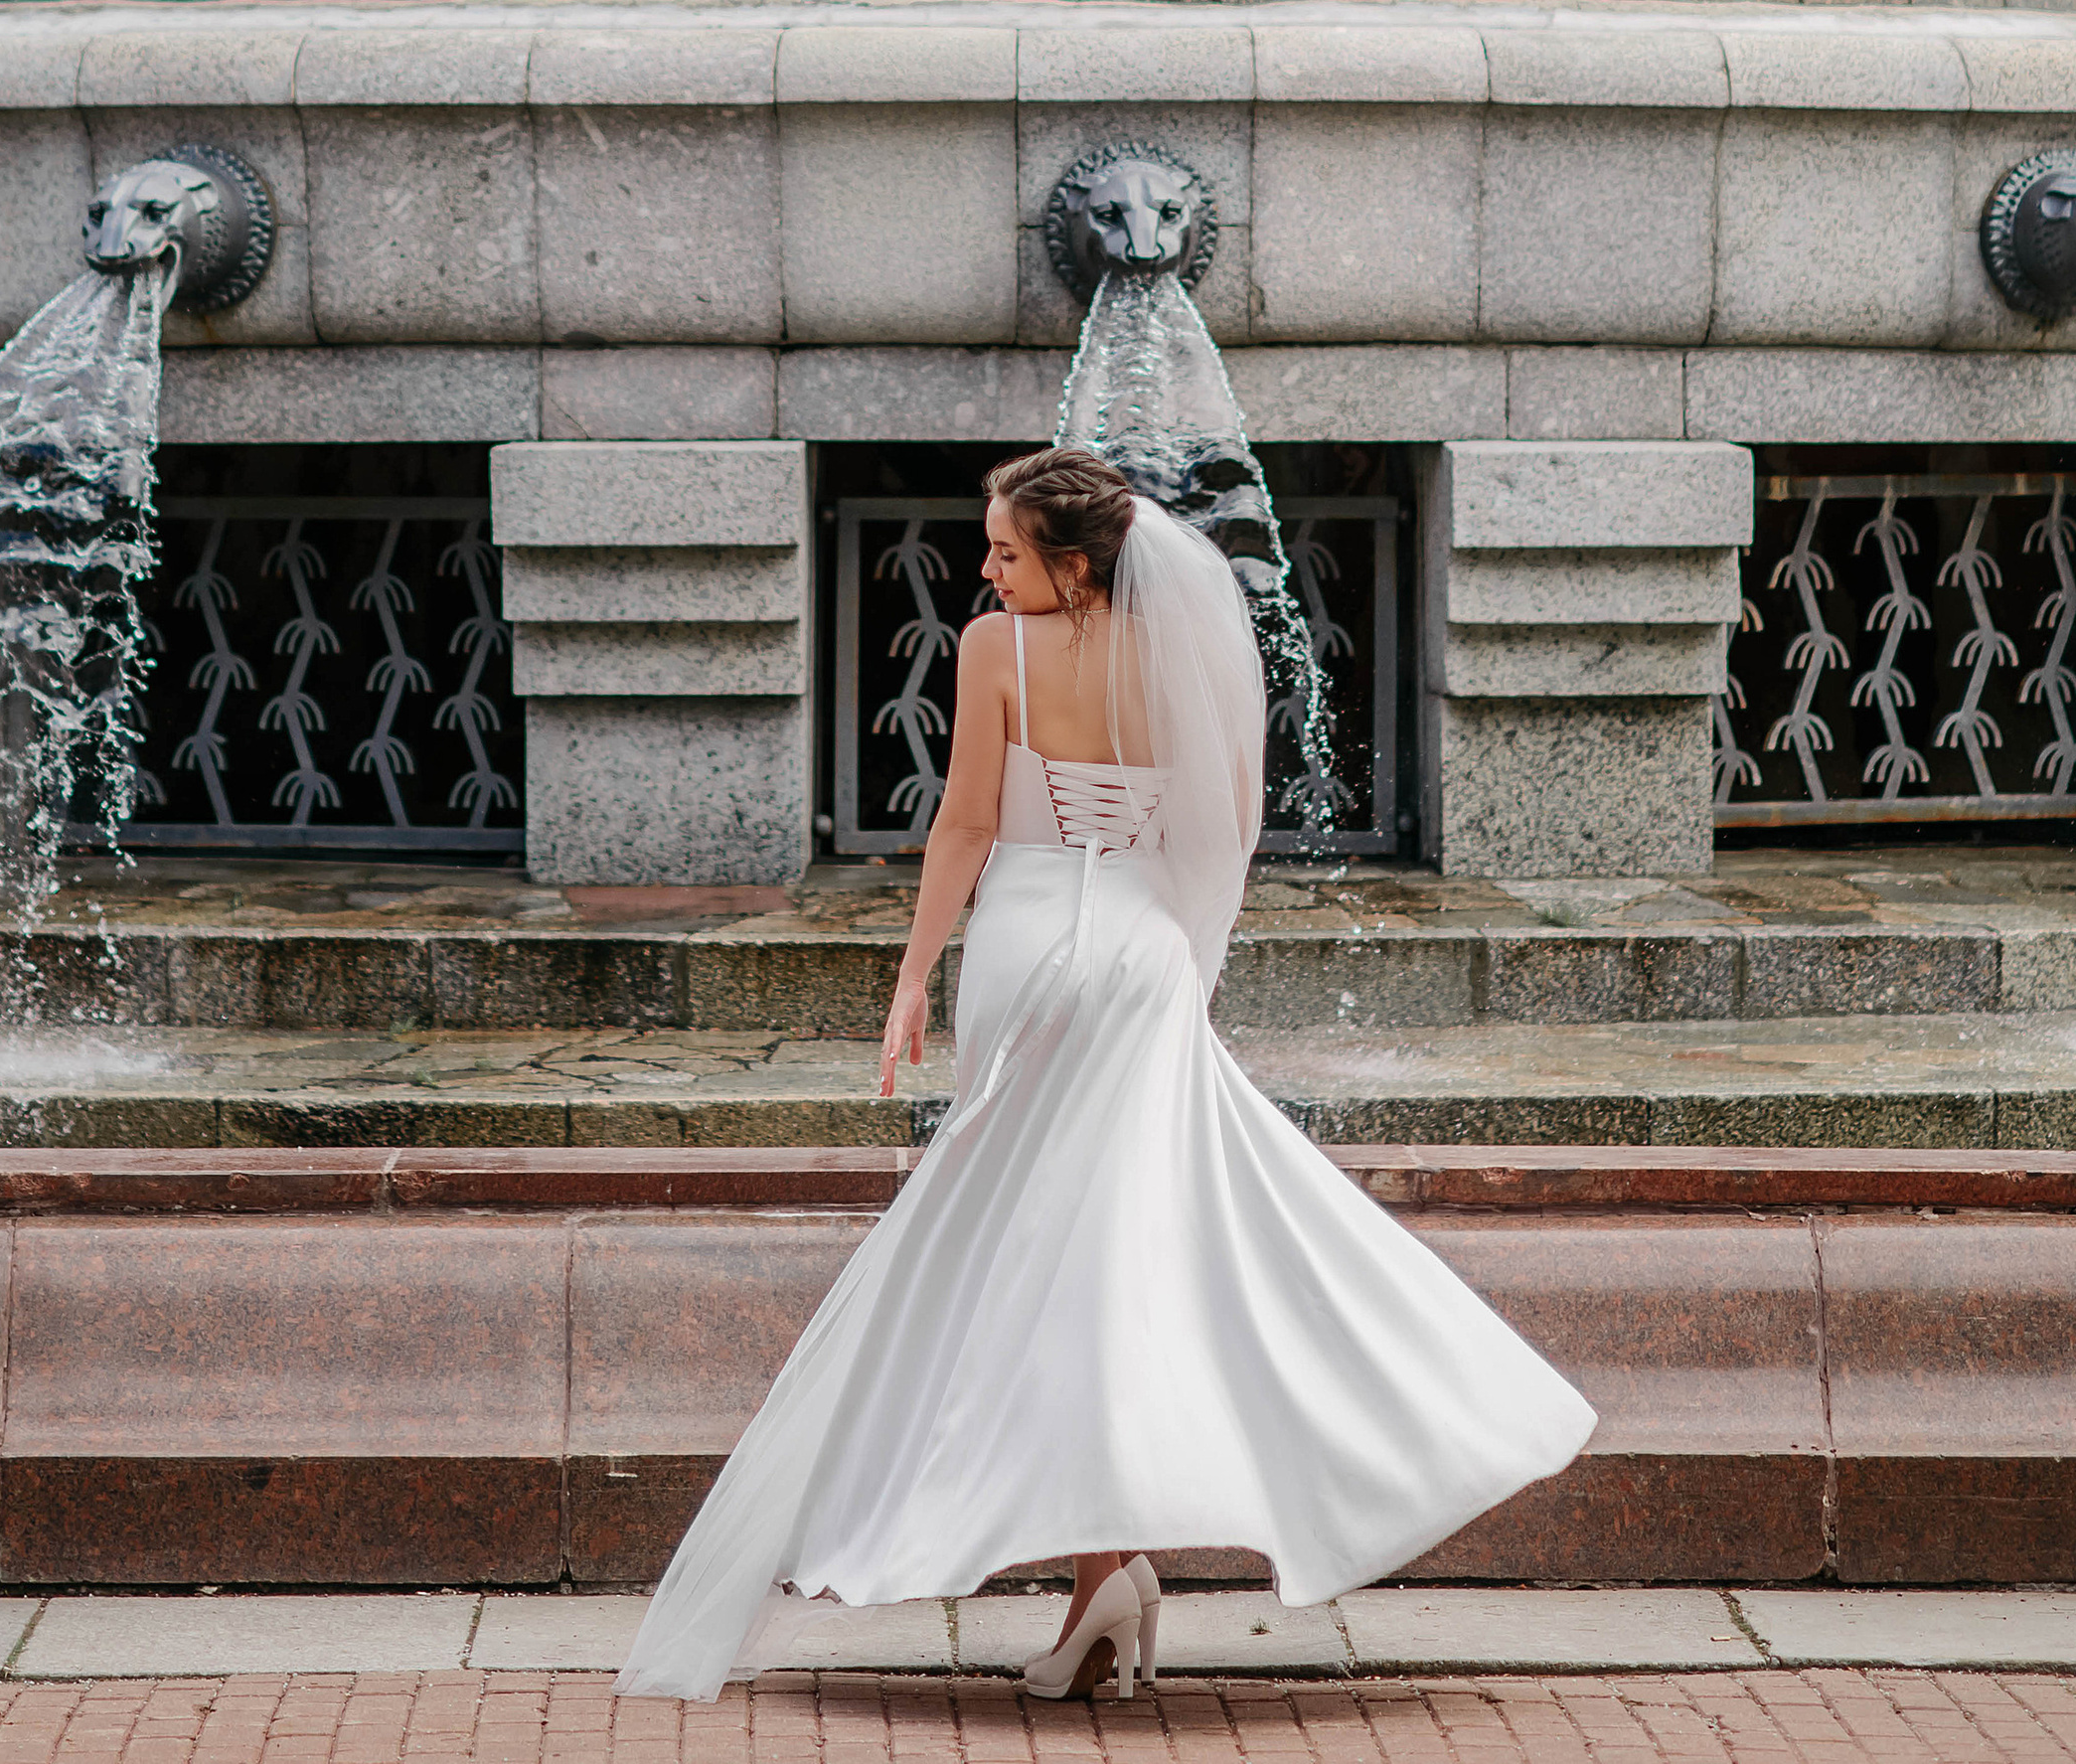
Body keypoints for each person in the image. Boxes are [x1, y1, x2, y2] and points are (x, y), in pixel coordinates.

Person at [615, 445, 1594, 1700]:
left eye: (1007, 552)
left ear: (1069, 563)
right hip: (1138, 959)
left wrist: (912, 975)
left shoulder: (993, 651)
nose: (985, 568)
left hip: (1026, 955)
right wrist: (1189, 960)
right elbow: (1225, 822)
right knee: (1124, 1246)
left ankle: (1106, 1573)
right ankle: (1114, 1572)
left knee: (1034, 1254)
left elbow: (968, 819)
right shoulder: (1177, 650)